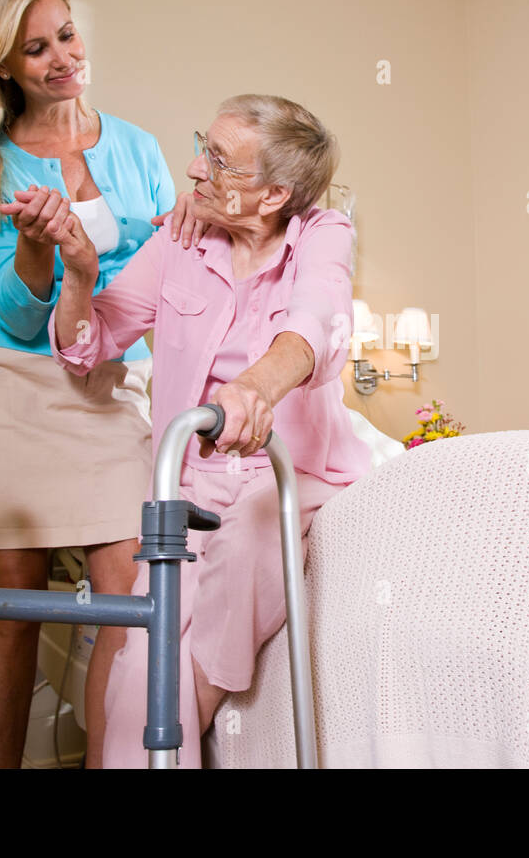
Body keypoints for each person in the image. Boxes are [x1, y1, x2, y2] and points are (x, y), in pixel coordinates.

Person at [45, 94, 373, 767]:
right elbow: (89, 344)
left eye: (219, 162)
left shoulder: (324, 232)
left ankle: (190, 707)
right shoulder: (181, 239)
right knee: (138, 668)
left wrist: (257, 386)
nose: (194, 169)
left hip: (298, 473)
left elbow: (321, 319)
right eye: (204, 146)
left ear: (275, 193)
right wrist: (79, 277)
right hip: (191, 487)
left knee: (251, 536)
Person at [0, 0, 205, 768]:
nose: (62, 57)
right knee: (11, 611)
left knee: (134, 598)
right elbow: (17, 310)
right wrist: (33, 248)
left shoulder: (137, 146)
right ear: (1, 66)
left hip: (110, 378)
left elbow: (171, 270)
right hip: (10, 383)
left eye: (67, 34)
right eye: (34, 49)